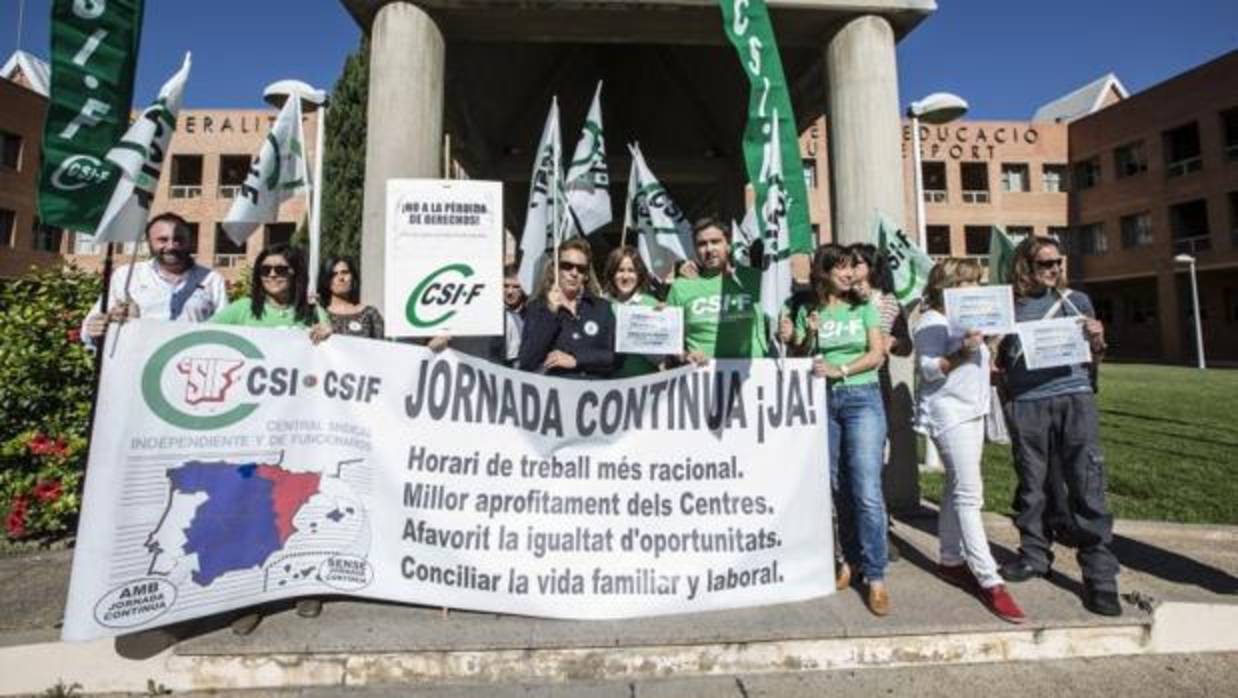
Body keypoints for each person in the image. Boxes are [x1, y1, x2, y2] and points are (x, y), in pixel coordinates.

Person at [995, 236, 1120, 616]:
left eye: (1057, 263)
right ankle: (1034, 554)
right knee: (1032, 485)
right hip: (1027, 403)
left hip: (1074, 398)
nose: (1053, 270)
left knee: (1086, 483)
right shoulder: (1009, 307)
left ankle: (1099, 576)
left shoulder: (1076, 301)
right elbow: (996, 361)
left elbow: (1096, 355)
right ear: (1024, 267)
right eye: (1044, 264)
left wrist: (1098, 339)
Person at [211, 244, 330, 633]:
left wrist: (328, 334)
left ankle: (304, 584)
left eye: (282, 270)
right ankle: (249, 596)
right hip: (251, 429)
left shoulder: (311, 311)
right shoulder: (241, 310)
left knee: (302, 502)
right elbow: (198, 341)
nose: (274, 276)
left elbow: (333, 357)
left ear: (296, 273)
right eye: (266, 270)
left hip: (301, 426)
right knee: (253, 506)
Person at [780, 243, 889, 615]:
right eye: (841, 269)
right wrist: (804, 335)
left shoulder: (864, 308)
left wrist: (841, 371)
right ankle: (850, 561)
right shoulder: (807, 308)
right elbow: (798, 355)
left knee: (867, 489)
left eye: (851, 269)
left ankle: (876, 576)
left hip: (862, 399)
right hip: (822, 403)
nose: (850, 274)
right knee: (837, 486)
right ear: (824, 273)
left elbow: (877, 354)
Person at [914, 258, 1025, 624]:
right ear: (949, 286)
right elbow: (929, 371)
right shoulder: (933, 321)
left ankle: (950, 559)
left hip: (972, 411)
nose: (977, 287)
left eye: (979, 281)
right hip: (949, 414)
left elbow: (977, 366)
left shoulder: (969, 322)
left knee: (956, 487)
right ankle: (989, 578)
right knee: (969, 493)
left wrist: (988, 344)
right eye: (970, 282)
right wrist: (963, 351)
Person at [82, 213, 226, 346]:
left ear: (191, 241)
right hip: (136, 364)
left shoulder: (212, 279)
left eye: (178, 240)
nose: (171, 246)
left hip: (188, 366)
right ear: (149, 242)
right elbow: (89, 330)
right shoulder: (127, 276)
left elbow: (225, 331)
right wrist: (96, 327)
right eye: (163, 240)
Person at [666, 217, 768, 363]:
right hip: (703, 378)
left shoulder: (755, 279)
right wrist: (686, 356)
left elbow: (780, 320)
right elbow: (669, 342)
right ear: (695, 249)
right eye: (702, 244)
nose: (709, 249)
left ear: (728, 244)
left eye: (715, 241)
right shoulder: (681, 286)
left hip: (753, 377)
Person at [516, 238, 615, 379]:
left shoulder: (602, 308)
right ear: (555, 269)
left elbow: (613, 357)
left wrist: (576, 359)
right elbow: (527, 361)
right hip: (556, 395)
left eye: (581, 269)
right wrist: (550, 314)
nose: (574, 273)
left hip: (594, 395)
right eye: (567, 266)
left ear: (586, 275)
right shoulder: (537, 308)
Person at [603, 246, 660, 377]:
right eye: (620, 270)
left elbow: (661, 358)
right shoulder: (602, 304)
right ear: (612, 273)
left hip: (646, 381)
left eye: (631, 271)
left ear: (639, 274)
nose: (625, 276)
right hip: (610, 384)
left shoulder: (651, 304)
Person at [318, 256, 385, 339]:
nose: (340, 278)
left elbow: (383, 348)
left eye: (345, 272)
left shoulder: (370, 314)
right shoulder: (318, 315)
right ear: (326, 280)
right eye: (334, 274)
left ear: (353, 277)